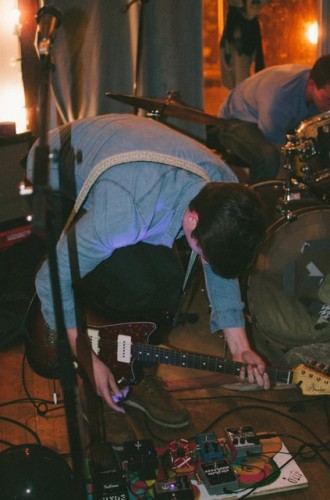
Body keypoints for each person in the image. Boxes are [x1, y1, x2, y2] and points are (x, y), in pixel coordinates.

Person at [26, 114, 270, 449]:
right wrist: (85, 356)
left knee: (169, 282)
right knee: (133, 284)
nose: (207, 263)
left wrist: (241, 347)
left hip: (133, 165)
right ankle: (93, 381)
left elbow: (218, 264)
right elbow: (51, 278)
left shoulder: (224, 187)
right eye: (206, 255)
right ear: (193, 218)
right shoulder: (124, 212)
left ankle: (135, 376)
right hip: (55, 166)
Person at [207, 54, 330, 184]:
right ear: (312, 84)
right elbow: (279, 148)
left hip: (274, 120)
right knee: (269, 158)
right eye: (328, 99)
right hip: (235, 121)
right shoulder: (280, 98)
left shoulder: (318, 87)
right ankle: (259, 202)